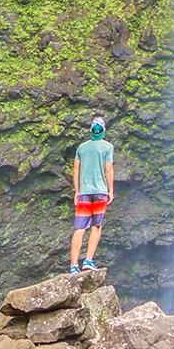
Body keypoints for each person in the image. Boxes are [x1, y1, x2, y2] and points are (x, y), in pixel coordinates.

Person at [70, 117, 114, 272]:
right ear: (103, 131)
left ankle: (74, 265)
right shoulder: (107, 147)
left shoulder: (81, 148)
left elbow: (76, 170)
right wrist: (110, 190)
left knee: (79, 228)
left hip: (84, 193)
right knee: (96, 225)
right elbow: (108, 170)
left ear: (90, 131)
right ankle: (88, 260)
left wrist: (77, 191)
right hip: (100, 192)